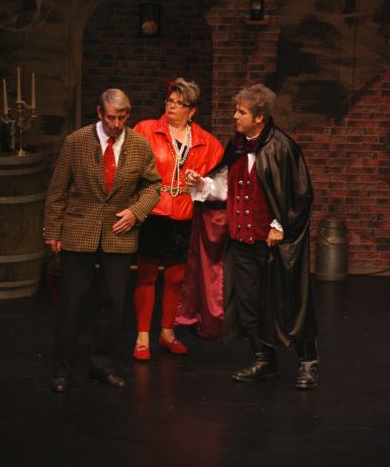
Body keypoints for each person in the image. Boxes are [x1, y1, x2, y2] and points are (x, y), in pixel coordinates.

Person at [184, 83, 318, 389]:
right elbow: (226, 190)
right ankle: (264, 361)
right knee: (249, 305)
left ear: (259, 117)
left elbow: (300, 195)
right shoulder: (237, 146)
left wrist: (279, 224)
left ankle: (308, 362)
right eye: (236, 111)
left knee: (289, 303)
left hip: (273, 245)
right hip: (242, 242)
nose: (235, 116)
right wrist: (202, 184)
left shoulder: (282, 148)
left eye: (241, 112)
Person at [44, 88, 161, 392]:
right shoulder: (76, 141)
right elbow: (57, 190)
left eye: (122, 118)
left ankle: (103, 366)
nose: (116, 124)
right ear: (99, 113)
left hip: (119, 233)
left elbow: (153, 186)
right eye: (111, 118)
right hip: (79, 230)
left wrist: (136, 212)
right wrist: (53, 231)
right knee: (71, 304)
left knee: (114, 304)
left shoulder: (139, 145)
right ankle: (62, 370)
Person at [132, 78, 224, 360]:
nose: (172, 107)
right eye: (169, 101)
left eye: (179, 103)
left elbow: (221, 183)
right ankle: (142, 337)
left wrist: (201, 182)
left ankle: (167, 333)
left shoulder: (207, 143)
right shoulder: (146, 130)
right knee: (146, 275)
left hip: (185, 216)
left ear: (192, 110)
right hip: (153, 212)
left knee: (176, 278)